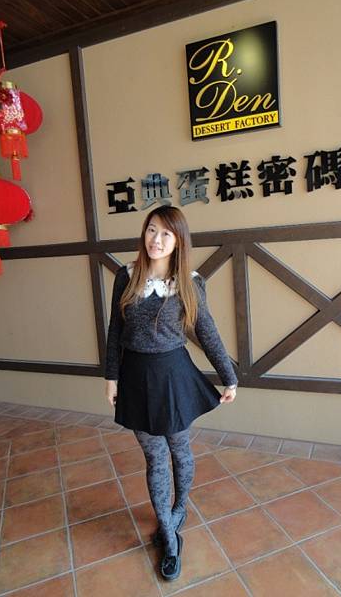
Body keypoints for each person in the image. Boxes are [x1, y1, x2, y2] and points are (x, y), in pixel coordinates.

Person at [104, 205, 237, 581]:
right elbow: (115, 329)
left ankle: (180, 508)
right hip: (135, 376)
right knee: (155, 457)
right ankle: (168, 533)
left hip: (174, 376)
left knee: (179, 448)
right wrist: (111, 377)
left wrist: (229, 377)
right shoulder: (126, 275)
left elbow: (206, 330)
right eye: (151, 230)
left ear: (179, 241)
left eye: (166, 233)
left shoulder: (190, 282)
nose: (156, 239)